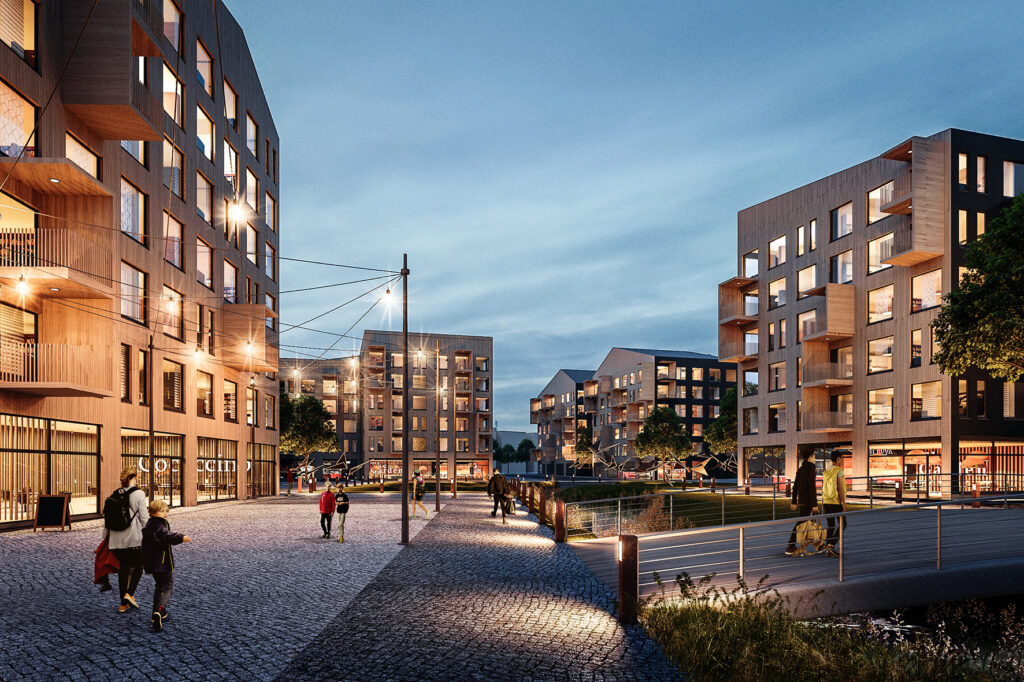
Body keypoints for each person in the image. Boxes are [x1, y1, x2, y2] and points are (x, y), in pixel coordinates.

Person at [102, 467, 149, 613]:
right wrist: (149, 534)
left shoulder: (115, 494)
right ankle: (129, 595)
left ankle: (124, 604)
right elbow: (144, 517)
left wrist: (105, 538)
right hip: (133, 538)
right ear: (133, 478)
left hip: (116, 540)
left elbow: (107, 520)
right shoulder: (139, 493)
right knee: (139, 566)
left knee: (123, 569)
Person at [141, 500, 192, 632]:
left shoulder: (149, 525)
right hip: (162, 562)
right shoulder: (159, 526)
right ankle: (159, 610)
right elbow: (167, 535)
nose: (165, 514)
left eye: (166, 511)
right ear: (153, 512)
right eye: (162, 511)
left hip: (152, 563)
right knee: (168, 587)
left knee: (159, 586)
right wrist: (181, 537)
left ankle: (156, 613)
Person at [785, 452, 819, 556]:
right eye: (814, 456)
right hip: (809, 501)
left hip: (802, 501)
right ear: (810, 457)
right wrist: (814, 504)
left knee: (809, 522)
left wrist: (794, 501)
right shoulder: (811, 468)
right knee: (803, 523)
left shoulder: (801, 469)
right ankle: (791, 545)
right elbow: (812, 487)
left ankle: (817, 543)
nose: (815, 458)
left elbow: (795, 487)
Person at [821, 452, 847, 558]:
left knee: (830, 525)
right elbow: (840, 488)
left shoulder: (826, 471)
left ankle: (828, 549)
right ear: (838, 459)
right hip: (836, 501)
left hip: (826, 501)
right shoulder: (839, 471)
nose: (843, 460)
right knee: (843, 524)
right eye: (842, 458)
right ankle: (831, 545)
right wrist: (843, 503)